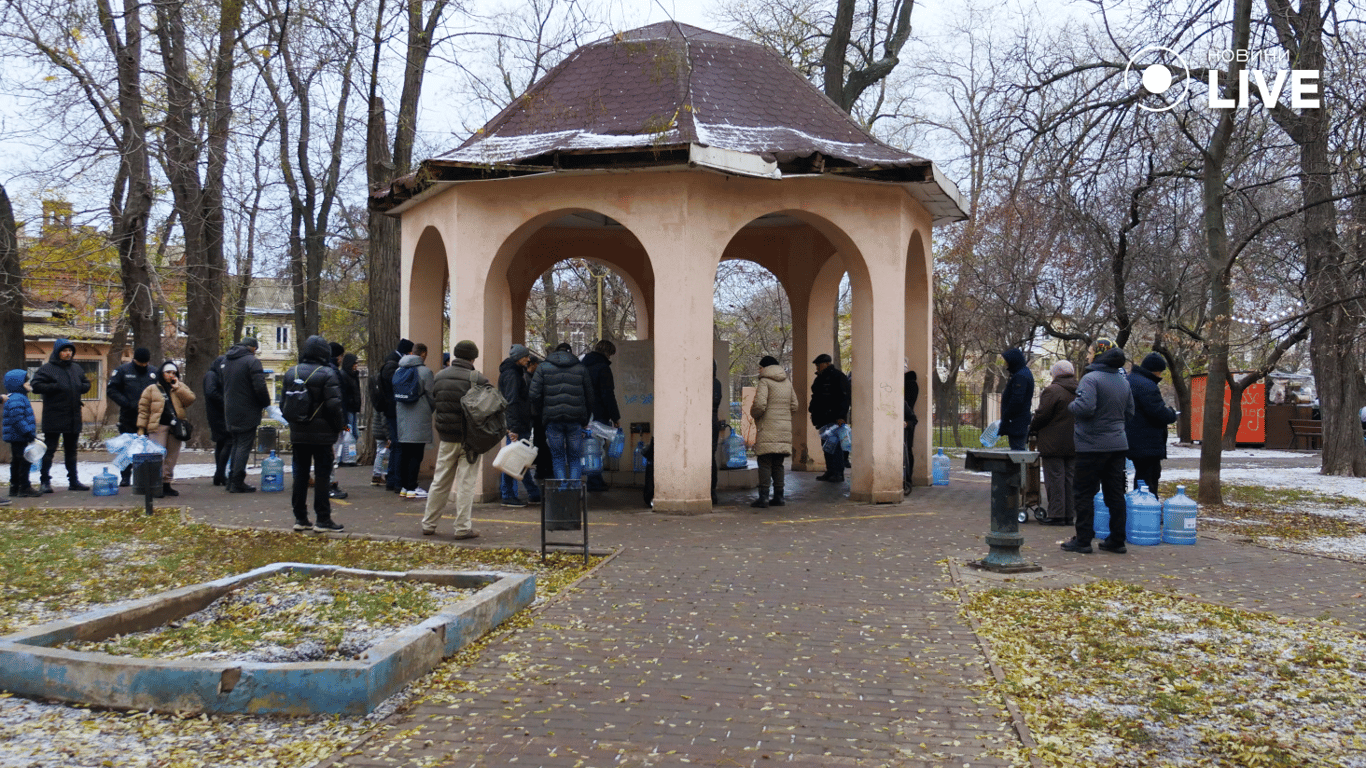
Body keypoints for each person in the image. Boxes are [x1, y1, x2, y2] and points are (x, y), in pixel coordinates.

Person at [1063, 338, 1134, 555]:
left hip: (1091, 446)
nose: (1087, 355)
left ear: (1099, 354)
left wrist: (1071, 405)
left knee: (1083, 493)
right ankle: (1117, 540)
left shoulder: (1091, 379)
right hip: (1117, 445)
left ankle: (1083, 540)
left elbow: (1084, 407)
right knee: (1115, 493)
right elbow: (1130, 412)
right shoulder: (1123, 381)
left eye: (1090, 351)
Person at [422, 340, 487, 540]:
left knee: (440, 481)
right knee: (466, 484)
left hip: (447, 438)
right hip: (470, 440)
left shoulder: (439, 376)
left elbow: (435, 402)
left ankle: (429, 523)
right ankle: (462, 527)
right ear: (473, 357)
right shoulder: (477, 379)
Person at [281, 335, 346, 532]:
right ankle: (323, 519)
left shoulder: (291, 372)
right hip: (323, 435)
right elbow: (334, 405)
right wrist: (339, 426)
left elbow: (284, 404)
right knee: (322, 476)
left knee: (300, 475)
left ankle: (300, 518)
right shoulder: (328, 373)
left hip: (298, 433)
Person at [30, 338, 91, 492]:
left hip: (73, 415)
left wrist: (80, 387)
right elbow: (36, 386)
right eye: (64, 350)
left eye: (70, 350)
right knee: (49, 449)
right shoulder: (47, 369)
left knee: (71, 450)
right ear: (57, 352)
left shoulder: (76, 368)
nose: (67, 353)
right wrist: (56, 386)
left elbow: (86, 383)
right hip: (54, 415)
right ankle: (45, 481)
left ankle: (73, 481)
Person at [529, 342, 594, 481]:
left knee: (557, 457)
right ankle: (574, 494)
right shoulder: (581, 368)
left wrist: (544, 412)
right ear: (570, 352)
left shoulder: (542, 368)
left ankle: (562, 492)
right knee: (575, 457)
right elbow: (590, 397)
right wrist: (585, 420)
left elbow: (534, 395)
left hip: (553, 419)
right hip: (575, 420)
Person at [1029, 360, 1078, 525]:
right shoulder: (1080, 389)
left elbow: (1042, 415)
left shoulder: (1052, 390)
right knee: (1070, 478)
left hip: (1053, 443)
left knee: (1055, 479)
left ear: (1056, 373)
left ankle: (1057, 515)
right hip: (1074, 442)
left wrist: (1032, 428)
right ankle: (1069, 514)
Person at [136, 361, 196, 496]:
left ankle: (166, 483)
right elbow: (143, 410)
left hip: (175, 428)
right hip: (157, 427)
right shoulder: (151, 389)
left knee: (172, 457)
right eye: (168, 372)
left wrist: (178, 387)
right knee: (157, 457)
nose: (171, 375)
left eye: (174, 373)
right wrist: (141, 428)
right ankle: (155, 485)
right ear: (162, 373)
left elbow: (190, 399)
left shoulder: (178, 388)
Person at [222, 337, 272, 493]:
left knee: (236, 445)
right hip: (247, 409)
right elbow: (260, 386)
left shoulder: (227, 360)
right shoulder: (252, 361)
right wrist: (266, 403)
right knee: (243, 446)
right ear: (252, 348)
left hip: (230, 408)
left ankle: (231, 480)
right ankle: (237, 481)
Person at [749, 355, 798, 508]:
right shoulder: (787, 382)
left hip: (768, 428)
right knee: (778, 464)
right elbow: (794, 405)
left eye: (760, 367)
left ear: (765, 367)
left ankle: (763, 498)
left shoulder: (765, 381)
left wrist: (754, 414)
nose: (759, 369)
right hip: (783, 429)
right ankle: (779, 497)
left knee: (764, 462)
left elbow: (760, 405)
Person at [1126, 352, 1178, 494]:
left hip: (1134, 439)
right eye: (1160, 372)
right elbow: (1158, 413)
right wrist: (1172, 414)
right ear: (1154, 370)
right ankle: (1146, 511)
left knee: (1142, 478)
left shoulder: (1130, 380)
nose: (1160, 376)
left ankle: (1140, 508)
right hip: (1146, 443)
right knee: (1148, 479)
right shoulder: (1147, 386)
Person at [498, 344, 540, 506]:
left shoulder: (514, 373)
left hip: (519, 423)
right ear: (517, 358)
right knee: (513, 461)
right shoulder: (512, 375)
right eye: (525, 356)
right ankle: (508, 494)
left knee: (519, 460)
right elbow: (512, 402)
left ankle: (532, 492)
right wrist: (513, 428)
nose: (528, 359)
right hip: (517, 424)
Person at [107, 347, 156, 487]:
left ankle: (144, 477)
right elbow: (112, 389)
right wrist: (126, 403)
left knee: (147, 447)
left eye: (145, 363)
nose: (143, 366)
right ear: (134, 360)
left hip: (148, 416)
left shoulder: (153, 372)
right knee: (128, 447)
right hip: (129, 415)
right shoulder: (123, 371)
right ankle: (125, 476)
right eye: (140, 363)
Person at [394, 342, 435, 499]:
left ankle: (404, 486)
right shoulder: (425, 372)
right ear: (423, 354)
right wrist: (430, 409)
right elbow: (431, 395)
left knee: (405, 453)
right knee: (416, 455)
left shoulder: (399, 369)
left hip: (403, 416)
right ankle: (412, 487)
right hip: (419, 416)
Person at [581, 339, 620, 492]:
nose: (610, 358)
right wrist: (615, 417)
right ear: (607, 353)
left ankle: (595, 479)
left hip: (585, 413)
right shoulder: (603, 368)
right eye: (610, 354)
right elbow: (607, 395)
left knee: (590, 447)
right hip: (599, 413)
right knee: (598, 448)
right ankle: (595, 481)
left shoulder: (583, 366)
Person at [374, 338, 411, 492]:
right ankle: (395, 479)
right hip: (393, 411)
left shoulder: (390, 364)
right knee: (395, 445)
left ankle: (390, 477)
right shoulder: (392, 367)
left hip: (389, 412)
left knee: (391, 446)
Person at [809, 353, 850, 482]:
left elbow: (844, 398)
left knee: (835, 446)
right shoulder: (820, 378)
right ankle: (830, 470)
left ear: (827, 364)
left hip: (834, 418)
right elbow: (816, 396)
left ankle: (838, 472)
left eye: (818, 365)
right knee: (827, 445)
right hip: (823, 418)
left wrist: (841, 416)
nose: (817, 367)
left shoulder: (838, 376)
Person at [3, 369, 43, 498]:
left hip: (17, 436)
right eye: (25, 381)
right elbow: (17, 418)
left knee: (16, 461)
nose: (28, 383)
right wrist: (28, 433)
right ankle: (24, 487)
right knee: (24, 462)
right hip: (20, 436)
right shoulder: (18, 398)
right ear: (17, 384)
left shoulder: (16, 397)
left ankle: (14, 487)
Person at [327, 342, 357, 500]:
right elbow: (339, 399)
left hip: (317, 421)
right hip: (332, 421)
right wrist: (342, 422)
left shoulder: (318, 369)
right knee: (331, 453)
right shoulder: (334, 373)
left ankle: (325, 483)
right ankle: (329, 485)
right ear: (338, 356)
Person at [202, 350, 231, 486]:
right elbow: (211, 393)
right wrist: (226, 403)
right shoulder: (212, 375)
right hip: (218, 414)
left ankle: (219, 474)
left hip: (217, 413)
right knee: (228, 441)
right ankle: (219, 473)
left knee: (221, 443)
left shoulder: (213, 375)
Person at [1001, 348, 1035, 451]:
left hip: (1017, 422)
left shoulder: (1020, 376)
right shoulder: (1022, 374)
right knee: (1018, 451)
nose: (1006, 364)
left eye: (1007, 361)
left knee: (1017, 453)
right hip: (1018, 421)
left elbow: (1017, 399)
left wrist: (1007, 416)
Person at [904, 364, 919, 494]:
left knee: (907, 451)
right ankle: (907, 478)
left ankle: (907, 478)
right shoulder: (913, 385)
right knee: (908, 450)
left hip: (906, 423)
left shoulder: (909, 385)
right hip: (908, 422)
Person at [711, 360, 722, 505]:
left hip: (703, 420)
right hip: (714, 420)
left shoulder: (703, 382)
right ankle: (712, 491)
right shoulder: (717, 383)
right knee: (711, 456)